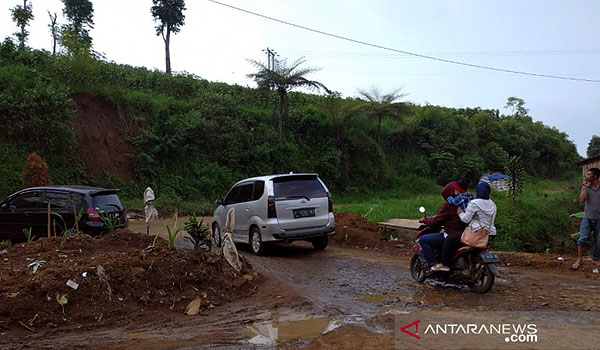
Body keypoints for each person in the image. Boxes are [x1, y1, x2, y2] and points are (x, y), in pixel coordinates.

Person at [431, 182, 497, 271]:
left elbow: (466, 219)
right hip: (490, 233)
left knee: (450, 239)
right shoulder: (492, 204)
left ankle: (444, 264)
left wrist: (460, 213)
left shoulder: (474, 203)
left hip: (476, 233)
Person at [418, 181, 469, 270]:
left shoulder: (450, 205)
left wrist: (425, 220)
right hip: (465, 234)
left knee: (423, 240)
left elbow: (437, 221)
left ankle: (433, 265)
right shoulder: (468, 201)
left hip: (451, 235)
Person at [572, 167, 600, 270]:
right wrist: (586, 188)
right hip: (587, 217)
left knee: (599, 241)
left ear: (595, 176)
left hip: (599, 219)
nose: (587, 177)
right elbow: (582, 200)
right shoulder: (585, 187)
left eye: (589, 175)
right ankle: (579, 260)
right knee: (582, 239)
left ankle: (596, 259)